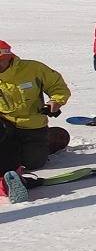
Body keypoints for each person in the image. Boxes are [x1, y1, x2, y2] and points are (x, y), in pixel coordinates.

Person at [0, 40, 72, 200]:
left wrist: (56, 101)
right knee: (7, 158)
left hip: (32, 124)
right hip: (5, 123)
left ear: (8, 57)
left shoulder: (33, 69)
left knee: (33, 163)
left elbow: (57, 86)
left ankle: (50, 139)